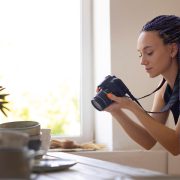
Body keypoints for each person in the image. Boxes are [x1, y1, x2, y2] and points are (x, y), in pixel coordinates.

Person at [105, 15, 180, 156]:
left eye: (149, 52)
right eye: (140, 54)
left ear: (172, 50)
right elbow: (148, 141)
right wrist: (116, 111)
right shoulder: (164, 90)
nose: (143, 61)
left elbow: (176, 145)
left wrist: (132, 106)